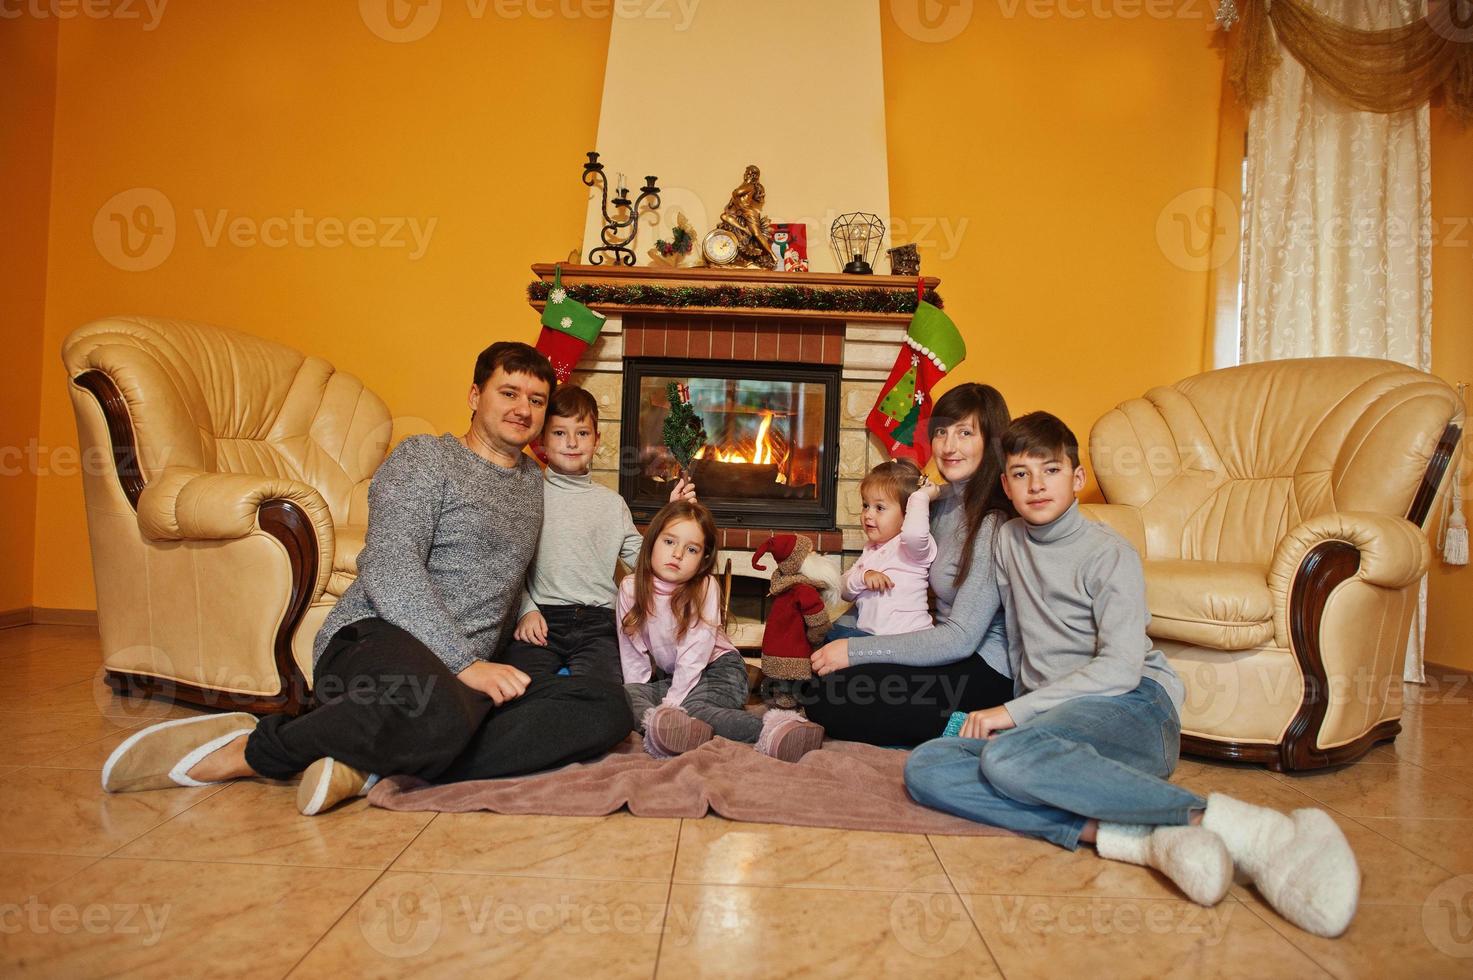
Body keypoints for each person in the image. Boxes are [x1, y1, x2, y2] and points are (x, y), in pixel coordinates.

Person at [101, 342, 634, 816]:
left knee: (605, 709)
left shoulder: (531, 485)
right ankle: (252, 748)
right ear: (475, 395)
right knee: (443, 709)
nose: (523, 409)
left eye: (536, 400)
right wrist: (466, 664)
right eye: (509, 392)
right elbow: (389, 566)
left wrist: (528, 611)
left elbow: (516, 569)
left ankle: (363, 762)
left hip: (464, 677)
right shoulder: (425, 459)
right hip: (376, 638)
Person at [904, 412, 1360, 938]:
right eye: (1021, 474)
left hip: (1135, 706)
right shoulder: (1006, 540)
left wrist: (1012, 712)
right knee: (929, 766)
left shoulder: (1108, 553)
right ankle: (1137, 839)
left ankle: (1250, 832)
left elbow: (1119, 668)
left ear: (1076, 479)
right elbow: (990, 629)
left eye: (1050, 471)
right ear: (1005, 483)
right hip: (1051, 724)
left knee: (1008, 756)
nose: (1035, 486)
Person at [806, 383, 1016, 746]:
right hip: (935, 644)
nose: (949, 446)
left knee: (833, 697)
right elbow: (890, 565)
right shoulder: (936, 502)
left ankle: (974, 729)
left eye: (965, 433)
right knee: (819, 680)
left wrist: (855, 651)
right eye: (941, 432)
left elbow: (961, 639)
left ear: (992, 441)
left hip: (984, 667)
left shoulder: (991, 523)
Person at [500, 383, 694, 682]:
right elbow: (507, 564)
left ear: (596, 440)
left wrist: (671, 520)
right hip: (542, 618)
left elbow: (646, 561)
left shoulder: (612, 504)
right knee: (520, 685)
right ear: (541, 441)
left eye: (582, 433)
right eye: (559, 433)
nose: (572, 442)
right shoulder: (528, 494)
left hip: (600, 621)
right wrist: (526, 610)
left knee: (603, 689)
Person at [621, 499, 825, 762]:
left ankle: (776, 728)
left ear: (703, 558)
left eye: (691, 549)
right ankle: (669, 729)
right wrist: (645, 693)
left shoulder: (704, 588)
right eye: (669, 542)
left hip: (722, 671)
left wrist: (671, 705)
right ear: (651, 542)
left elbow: (693, 656)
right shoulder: (630, 588)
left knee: (690, 706)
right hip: (677, 676)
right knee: (626, 694)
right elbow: (632, 651)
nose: (677, 554)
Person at [827, 458, 938, 643]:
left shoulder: (912, 548)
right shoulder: (871, 549)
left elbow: (914, 533)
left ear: (908, 514)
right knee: (829, 636)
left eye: (879, 508)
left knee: (834, 643)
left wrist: (921, 497)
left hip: (908, 639)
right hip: (870, 637)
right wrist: (864, 576)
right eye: (865, 505)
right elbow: (844, 589)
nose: (868, 514)